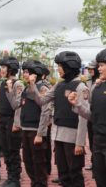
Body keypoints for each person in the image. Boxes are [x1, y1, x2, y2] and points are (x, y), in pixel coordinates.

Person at [28, 51, 88, 187]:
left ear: (69, 66)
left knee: (75, 174)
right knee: (63, 174)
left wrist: (80, 143)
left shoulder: (81, 87)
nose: (58, 69)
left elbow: (83, 118)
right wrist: (32, 85)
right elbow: (42, 101)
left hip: (73, 137)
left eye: (60, 66)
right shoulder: (59, 85)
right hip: (58, 135)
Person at [67, 48, 106, 187]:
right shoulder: (97, 88)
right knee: (100, 179)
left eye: (102, 65)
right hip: (98, 141)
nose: (98, 68)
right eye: (99, 65)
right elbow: (91, 115)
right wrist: (77, 104)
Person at [0, 57, 24, 187]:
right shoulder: (3, 83)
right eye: (1, 67)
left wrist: (16, 123)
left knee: (13, 150)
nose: (1, 70)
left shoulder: (17, 84)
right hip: (3, 120)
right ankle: (10, 177)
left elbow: (18, 106)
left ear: (11, 69)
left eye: (4, 67)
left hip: (12, 120)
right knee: (6, 149)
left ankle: (15, 179)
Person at [20, 60, 50, 187]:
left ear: (35, 74)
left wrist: (40, 133)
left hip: (36, 130)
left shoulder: (42, 87)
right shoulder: (27, 87)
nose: (24, 74)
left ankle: (40, 184)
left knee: (39, 161)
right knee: (27, 160)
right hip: (25, 128)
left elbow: (45, 111)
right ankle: (34, 182)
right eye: (24, 72)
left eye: (27, 72)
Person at [84, 60, 99, 171]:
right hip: (90, 115)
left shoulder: (101, 82)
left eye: (92, 68)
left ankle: (99, 164)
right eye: (89, 69)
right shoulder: (88, 82)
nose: (90, 71)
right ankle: (94, 163)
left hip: (99, 115)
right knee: (91, 139)